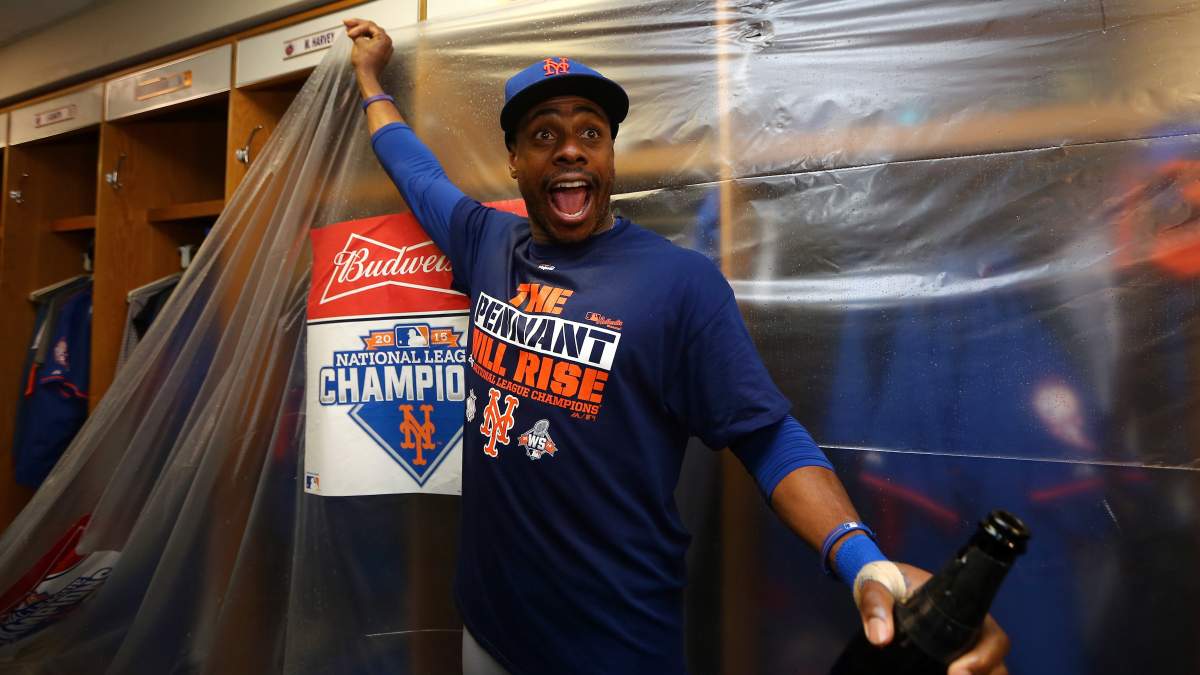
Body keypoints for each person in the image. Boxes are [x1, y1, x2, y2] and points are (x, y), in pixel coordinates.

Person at [343, 18, 1010, 675]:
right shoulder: (486, 241)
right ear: (515, 160)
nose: (570, 150)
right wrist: (370, 77)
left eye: (590, 133)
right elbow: (411, 165)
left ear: (609, 156)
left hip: (613, 649)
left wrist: (864, 561)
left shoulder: (678, 284)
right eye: (544, 134)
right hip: (488, 628)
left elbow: (766, 435)